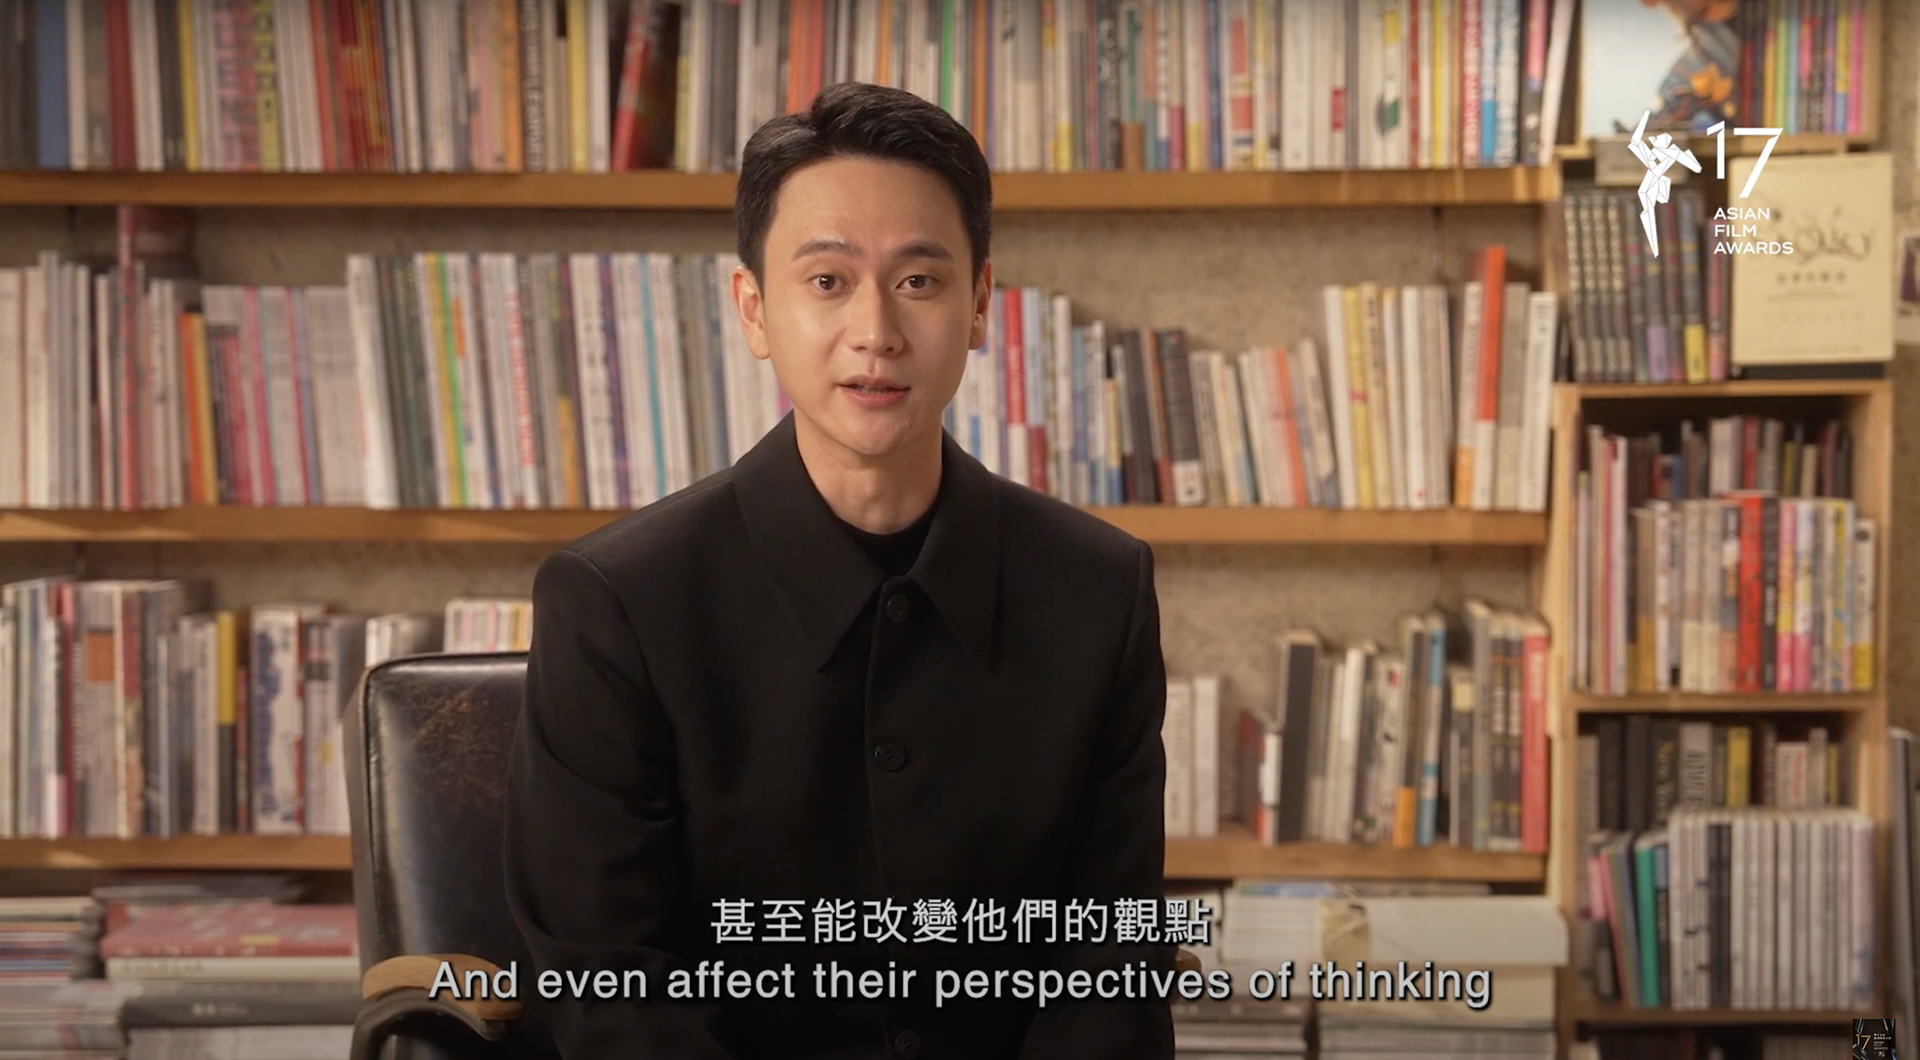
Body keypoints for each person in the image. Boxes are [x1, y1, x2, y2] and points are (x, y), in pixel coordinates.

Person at [503, 81, 1177, 1060]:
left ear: (978, 304)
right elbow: (612, 988)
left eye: (919, 281)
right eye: (827, 281)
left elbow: (1110, 969)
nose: (876, 332)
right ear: (753, 309)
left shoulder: (1098, 591)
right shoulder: (618, 603)